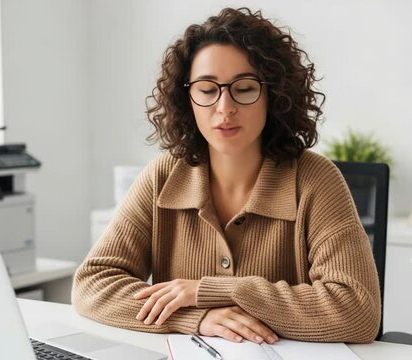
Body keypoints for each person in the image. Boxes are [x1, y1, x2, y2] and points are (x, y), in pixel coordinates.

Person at [72, 7, 380, 344]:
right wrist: (196, 317)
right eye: (207, 90)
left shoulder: (316, 180)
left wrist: (210, 291)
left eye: (244, 88)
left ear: (273, 95)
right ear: (186, 99)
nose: (224, 108)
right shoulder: (163, 176)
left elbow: (357, 311)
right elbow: (93, 283)